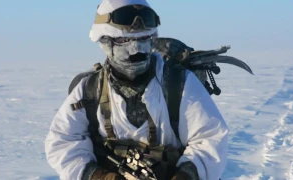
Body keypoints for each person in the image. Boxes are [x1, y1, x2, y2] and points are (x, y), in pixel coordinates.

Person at [45, 0, 229, 179]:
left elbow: (211, 138)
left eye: (143, 39)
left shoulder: (179, 83)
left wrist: (186, 175)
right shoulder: (89, 89)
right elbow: (62, 141)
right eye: (124, 40)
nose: (136, 50)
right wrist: (98, 176)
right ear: (103, 41)